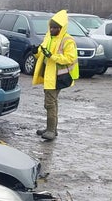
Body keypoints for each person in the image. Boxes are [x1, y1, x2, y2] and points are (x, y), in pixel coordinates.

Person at [31, 10, 79, 140]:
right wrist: (36, 52)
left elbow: (70, 58)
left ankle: (51, 130)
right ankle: (51, 128)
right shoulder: (49, 37)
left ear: (61, 28)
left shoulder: (67, 40)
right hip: (50, 75)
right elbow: (42, 52)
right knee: (52, 102)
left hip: (59, 77)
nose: (52, 29)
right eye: (51, 27)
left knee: (50, 103)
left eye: (55, 28)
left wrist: (52, 56)